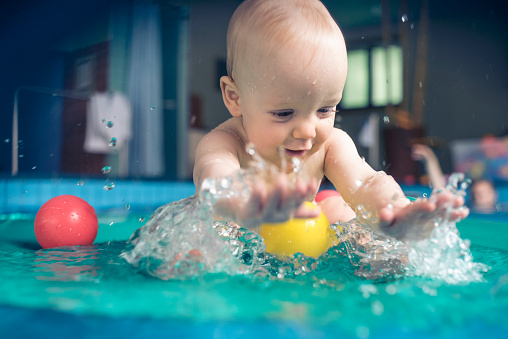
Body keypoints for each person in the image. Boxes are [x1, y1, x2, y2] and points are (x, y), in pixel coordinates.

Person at [193, 0, 468, 242]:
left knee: (340, 210)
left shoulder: (331, 144)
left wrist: (394, 209)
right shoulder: (225, 143)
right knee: (205, 238)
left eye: (325, 110)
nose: (307, 130)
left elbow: (366, 184)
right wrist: (245, 203)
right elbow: (216, 179)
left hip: (305, 233)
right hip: (243, 235)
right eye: (284, 113)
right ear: (234, 98)